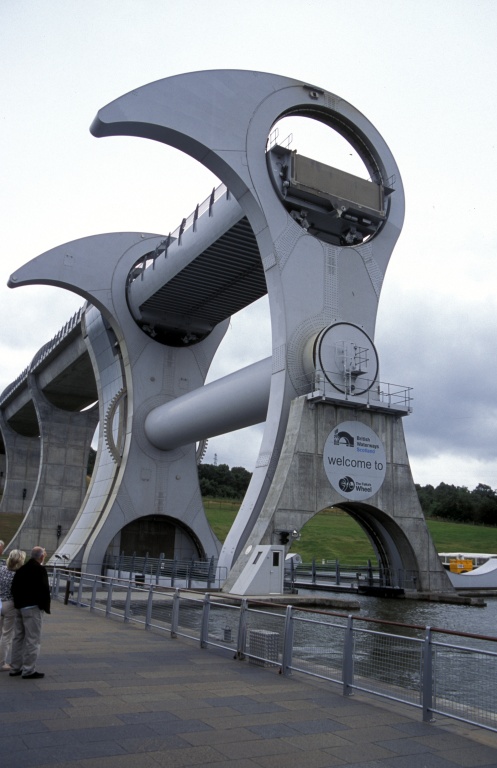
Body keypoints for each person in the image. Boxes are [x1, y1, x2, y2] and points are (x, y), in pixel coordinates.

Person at [9, 546, 51, 679]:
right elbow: (44, 590)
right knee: (33, 639)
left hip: (20, 607)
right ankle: (29, 670)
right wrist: (44, 606)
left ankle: (15, 667)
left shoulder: (22, 569)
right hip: (32, 608)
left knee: (18, 637)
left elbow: (13, 588)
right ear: (42, 557)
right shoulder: (40, 570)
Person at [0, 549, 27, 670]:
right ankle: (1, 662)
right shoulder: (19, 574)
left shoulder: (1, 569)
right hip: (10, 604)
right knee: (6, 635)